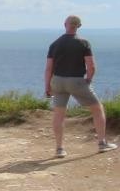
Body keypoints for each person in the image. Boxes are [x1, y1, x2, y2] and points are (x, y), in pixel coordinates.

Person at [45, 15, 117, 157]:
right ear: (79, 26)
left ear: (65, 24)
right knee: (97, 109)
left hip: (57, 81)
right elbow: (91, 66)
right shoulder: (83, 43)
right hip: (76, 81)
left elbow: (48, 69)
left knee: (59, 114)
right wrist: (88, 80)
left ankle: (59, 149)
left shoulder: (55, 44)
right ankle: (102, 143)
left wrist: (47, 86)